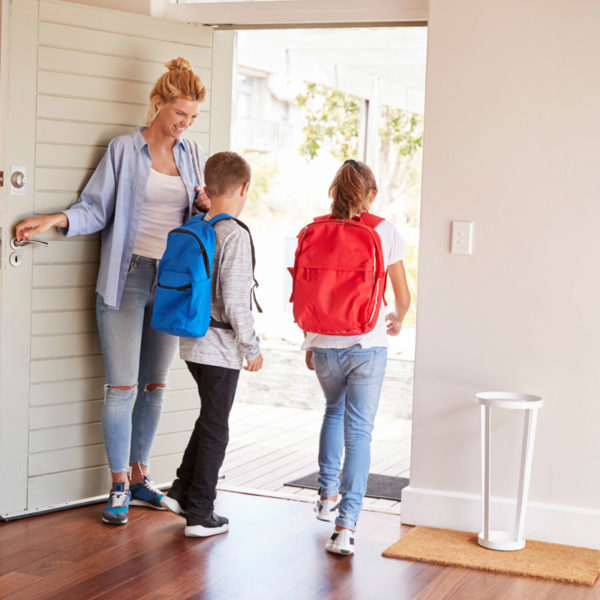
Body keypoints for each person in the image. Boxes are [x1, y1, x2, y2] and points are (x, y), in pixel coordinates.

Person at [15, 57, 209, 525]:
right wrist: (55, 220)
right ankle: (119, 483)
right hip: (126, 278)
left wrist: (205, 207)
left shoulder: (191, 154)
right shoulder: (124, 150)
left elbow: (199, 216)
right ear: (159, 104)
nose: (184, 124)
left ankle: (143, 478)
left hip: (172, 283)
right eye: (179, 113)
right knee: (122, 386)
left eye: (192, 117)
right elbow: (94, 209)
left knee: (156, 385)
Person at [303, 159, 411, 555]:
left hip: (324, 341)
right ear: (371, 195)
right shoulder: (383, 229)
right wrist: (396, 319)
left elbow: (307, 289)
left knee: (333, 409)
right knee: (359, 433)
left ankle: (326, 496)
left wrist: (311, 340)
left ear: (335, 192)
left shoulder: (315, 227)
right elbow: (402, 296)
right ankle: (345, 527)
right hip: (367, 343)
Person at [162, 151, 263, 538]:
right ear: (243, 188)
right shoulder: (234, 234)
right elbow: (237, 301)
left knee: (208, 417)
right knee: (217, 426)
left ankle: (181, 491)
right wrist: (251, 348)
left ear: (206, 187)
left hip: (192, 342)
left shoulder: (199, 224)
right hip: (221, 348)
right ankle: (201, 513)